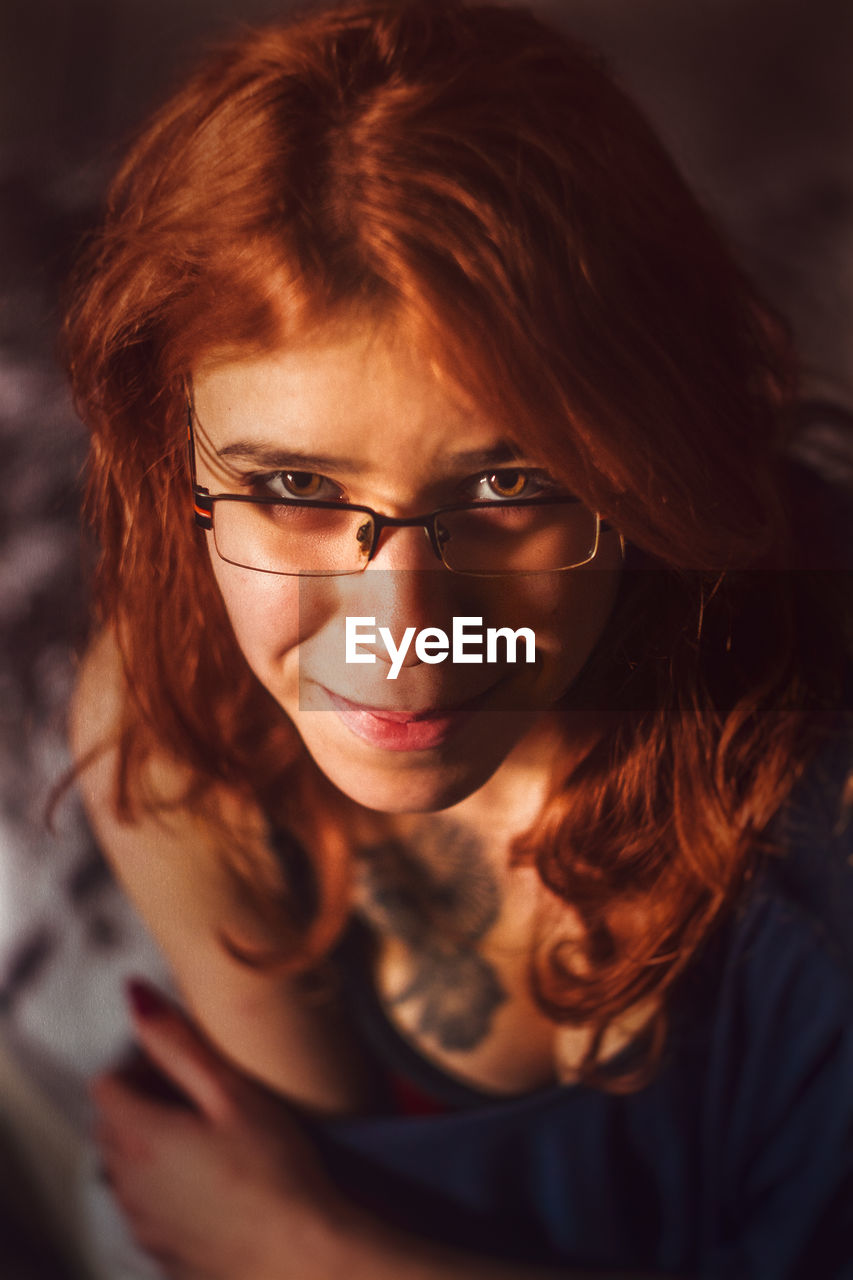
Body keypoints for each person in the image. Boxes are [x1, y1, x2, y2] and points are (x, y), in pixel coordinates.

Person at [64, 1, 853, 1276]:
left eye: (507, 490)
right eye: (297, 491)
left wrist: (297, 1244)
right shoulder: (177, 714)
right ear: (178, 469)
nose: (407, 641)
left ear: (645, 465)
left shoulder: (817, 873)